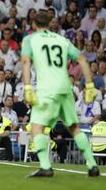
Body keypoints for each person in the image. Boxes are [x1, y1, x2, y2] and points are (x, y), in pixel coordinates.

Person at [21, 11, 99, 177]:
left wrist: (27, 87)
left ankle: (45, 167)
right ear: (50, 24)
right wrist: (90, 85)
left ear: (33, 25)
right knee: (74, 127)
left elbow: (26, 61)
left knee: (36, 127)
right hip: (65, 87)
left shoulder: (30, 39)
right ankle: (92, 165)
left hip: (47, 89)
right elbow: (83, 60)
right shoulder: (62, 39)